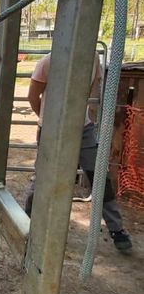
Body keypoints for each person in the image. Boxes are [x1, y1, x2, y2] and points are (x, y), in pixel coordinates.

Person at [24, 51, 132, 253]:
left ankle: (117, 229)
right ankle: (27, 221)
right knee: (43, 177)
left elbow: (92, 91)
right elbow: (32, 96)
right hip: (52, 129)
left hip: (83, 129)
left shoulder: (91, 60)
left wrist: (87, 116)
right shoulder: (48, 62)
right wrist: (47, 121)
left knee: (100, 177)